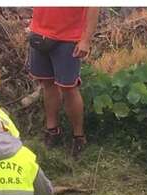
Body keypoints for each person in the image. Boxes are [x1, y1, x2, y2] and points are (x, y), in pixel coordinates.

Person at [28, 7, 100, 159]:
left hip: (68, 38)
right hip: (40, 33)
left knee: (68, 88)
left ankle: (78, 136)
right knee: (47, 83)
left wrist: (86, 40)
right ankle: (52, 130)